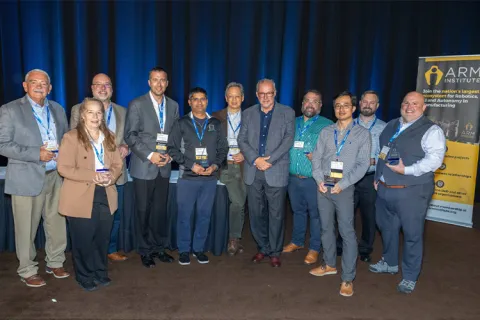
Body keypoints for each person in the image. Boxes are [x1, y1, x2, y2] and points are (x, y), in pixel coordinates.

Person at [369, 91, 446, 294]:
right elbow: (382, 153)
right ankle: (390, 262)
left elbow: (434, 160)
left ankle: (410, 276)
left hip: (412, 192)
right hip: (385, 189)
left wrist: (407, 170)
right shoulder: (392, 125)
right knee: (386, 228)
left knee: (412, 235)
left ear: (424, 108)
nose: (409, 107)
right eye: (406, 102)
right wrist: (378, 177)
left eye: (415, 103)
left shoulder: (432, 130)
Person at [0, 69, 69, 287]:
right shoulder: (10, 110)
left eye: (44, 83)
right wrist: (35, 153)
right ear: (24, 85)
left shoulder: (57, 109)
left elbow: (66, 139)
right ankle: (27, 269)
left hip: (55, 175)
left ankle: (55, 261)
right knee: (26, 228)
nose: (39, 86)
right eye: (34, 82)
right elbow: (2, 144)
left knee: (56, 222)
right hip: (26, 177)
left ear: (50, 87)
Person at [57, 97, 123, 291]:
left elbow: (118, 164)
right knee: (83, 240)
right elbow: (64, 168)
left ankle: (100, 272)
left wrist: (111, 176)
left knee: (102, 238)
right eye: (90, 112)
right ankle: (84, 276)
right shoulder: (71, 137)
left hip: (106, 193)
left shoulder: (109, 136)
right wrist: (93, 176)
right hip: (80, 196)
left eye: (99, 113)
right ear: (82, 115)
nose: (95, 116)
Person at [310, 91, 371, 297]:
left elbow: (363, 164)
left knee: (347, 232)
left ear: (353, 109)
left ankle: (347, 278)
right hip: (323, 185)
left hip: (344, 188)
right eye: (337, 106)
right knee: (325, 227)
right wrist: (319, 180)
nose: (341, 109)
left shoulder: (363, 134)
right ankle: (328, 264)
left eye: (345, 105)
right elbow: (316, 157)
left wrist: (343, 184)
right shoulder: (327, 131)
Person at [70, 73, 129, 262]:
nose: (103, 88)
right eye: (98, 85)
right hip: (88, 175)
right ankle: (91, 252)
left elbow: (128, 135)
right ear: (91, 88)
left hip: (115, 173)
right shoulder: (77, 109)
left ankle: (109, 249)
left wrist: (126, 146)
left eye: (107, 85)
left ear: (112, 89)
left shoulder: (122, 111)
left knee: (114, 215)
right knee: (89, 217)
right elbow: (74, 137)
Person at [124, 66, 179, 268]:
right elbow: (130, 135)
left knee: (159, 211)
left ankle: (158, 248)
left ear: (167, 83)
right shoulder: (137, 104)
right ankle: (145, 250)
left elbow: (174, 136)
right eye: (155, 80)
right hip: (144, 166)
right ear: (149, 82)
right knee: (143, 210)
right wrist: (150, 155)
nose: (159, 83)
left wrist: (169, 156)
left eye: (162, 80)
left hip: (163, 166)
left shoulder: (173, 105)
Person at [237, 78, 295, 268]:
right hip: (253, 170)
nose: (265, 97)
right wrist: (256, 159)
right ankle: (262, 247)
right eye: (261, 94)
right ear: (256, 95)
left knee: (276, 213)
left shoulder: (287, 112)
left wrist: (268, 160)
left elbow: (288, 140)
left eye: (269, 93)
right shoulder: (247, 113)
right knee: (255, 213)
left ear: (275, 93)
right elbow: (242, 140)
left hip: (275, 169)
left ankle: (275, 252)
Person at [168, 87, 228, 265]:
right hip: (188, 177)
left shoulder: (215, 124)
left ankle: (198, 249)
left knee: (204, 214)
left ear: (207, 102)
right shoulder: (181, 123)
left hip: (209, 178)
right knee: (184, 215)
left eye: (203, 99)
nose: (199, 102)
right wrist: (190, 165)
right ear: (189, 102)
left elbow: (223, 149)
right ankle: (184, 250)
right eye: (195, 99)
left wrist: (215, 165)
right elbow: (172, 148)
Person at [282, 90, 332, 265]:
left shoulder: (328, 125)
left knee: (316, 215)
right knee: (297, 211)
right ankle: (297, 241)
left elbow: (334, 153)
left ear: (320, 106)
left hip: (314, 180)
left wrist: (321, 157)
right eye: (307, 101)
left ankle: (314, 248)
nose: (310, 104)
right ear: (302, 104)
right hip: (293, 178)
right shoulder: (292, 123)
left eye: (315, 101)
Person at [336, 90, 387, 262]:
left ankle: (365, 249)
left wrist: (373, 162)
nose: (367, 105)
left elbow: (387, 154)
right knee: (344, 212)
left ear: (377, 106)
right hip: (347, 176)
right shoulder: (348, 124)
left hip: (369, 178)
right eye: (364, 101)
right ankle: (340, 245)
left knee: (368, 215)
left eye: (372, 102)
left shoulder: (384, 127)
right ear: (359, 105)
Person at [212, 82, 247, 256]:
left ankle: (235, 237)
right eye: (230, 96)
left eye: (237, 96)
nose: (234, 100)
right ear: (226, 98)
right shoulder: (215, 117)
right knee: (235, 203)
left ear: (243, 98)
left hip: (244, 166)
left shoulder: (250, 117)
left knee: (240, 203)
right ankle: (232, 238)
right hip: (224, 166)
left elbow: (257, 142)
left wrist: (246, 155)